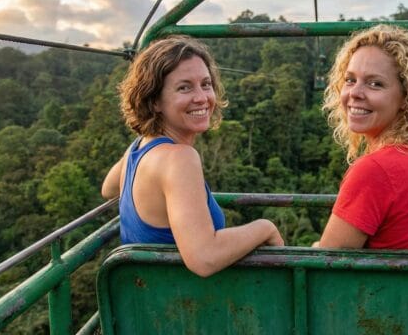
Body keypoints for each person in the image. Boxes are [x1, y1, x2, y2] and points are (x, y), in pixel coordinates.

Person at [102, 35, 284, 277]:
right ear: (155, 101)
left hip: (144, 297)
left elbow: (109, 189)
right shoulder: (179, 158)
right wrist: (265, 228)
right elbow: (204, 258)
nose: (201, 98)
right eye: (184, 87)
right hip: (178, 304)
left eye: (206, 84)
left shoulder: (138, 148)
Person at [314, 24, 408, 250]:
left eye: (375, 84)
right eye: (350, 80)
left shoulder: (377, 169)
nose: (355, 93)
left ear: (407, 98)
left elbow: (322, 271)